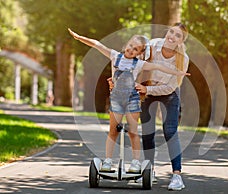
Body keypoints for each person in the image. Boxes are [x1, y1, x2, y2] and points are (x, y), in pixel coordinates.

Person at [68, 28, 190, 173]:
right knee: (116, 131)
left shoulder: (143, 63)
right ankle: (110, 160)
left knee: (143, 132)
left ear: (139, 54)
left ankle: (144, 165)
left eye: (136, 49)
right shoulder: (119, 55)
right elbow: (98, 45)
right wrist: (79, 37)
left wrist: (178, 72)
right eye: (131, 46)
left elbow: (159, 68)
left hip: (146, 97)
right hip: (120, 99)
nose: (132, 50)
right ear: (126, 44)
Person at [135, 23, 189, 191]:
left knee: (170, 131)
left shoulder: (183, 60)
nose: (172, 36)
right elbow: (137, 66)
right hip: (147, 90)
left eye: (177, 35)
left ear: (181, 41)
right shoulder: (152, 46)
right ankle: (149, 169)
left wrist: (147, 89)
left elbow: (170, 87)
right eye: (171, 32)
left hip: (169, 93)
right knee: (147, 131)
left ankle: (177, 176)